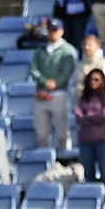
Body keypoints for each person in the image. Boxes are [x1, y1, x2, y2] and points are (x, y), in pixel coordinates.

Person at [31, 19, 77, 152]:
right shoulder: (40, 51)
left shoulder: (68, 50)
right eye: (50, 30)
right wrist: (44, 83)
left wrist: (53, 85)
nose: (52, 33)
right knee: (41, 133)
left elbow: (66, 73)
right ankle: (44, 158)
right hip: (41, 95)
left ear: (62, 31)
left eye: (55, 30)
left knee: (62, 132)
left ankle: (65, 157)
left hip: (59, 94)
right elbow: (33, 70)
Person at [74, 68, 105, 186]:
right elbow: (79, 116)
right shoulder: (83, 98)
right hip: (85, 141)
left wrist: (88, 116)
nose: (93, 82)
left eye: (96, 79)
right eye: (91, 79)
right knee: (88, 174)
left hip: (103, 140)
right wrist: (94, 117)